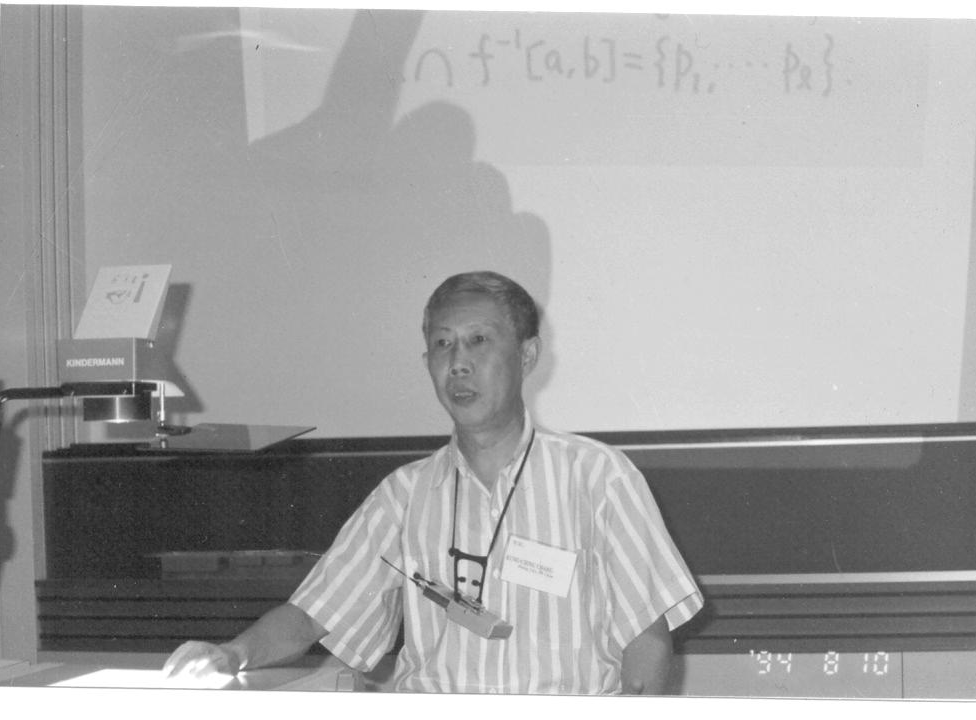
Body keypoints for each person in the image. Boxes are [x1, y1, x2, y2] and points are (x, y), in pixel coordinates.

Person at [163, 270, 703, 694]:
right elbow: (310, 616)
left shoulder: (598, 477)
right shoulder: (404, 495)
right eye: (443, 345)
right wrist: (231, 653)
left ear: (528, 355)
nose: (458, 364)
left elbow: (647, 642)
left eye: (478, 341)